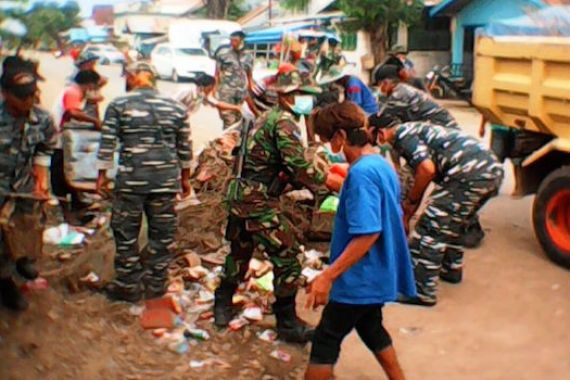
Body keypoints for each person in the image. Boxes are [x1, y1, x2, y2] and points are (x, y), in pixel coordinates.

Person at [214, 68, 327, 343]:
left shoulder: (266, 117)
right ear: (290, 94)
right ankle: (287, 323)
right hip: (257, 199)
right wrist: (323, 182)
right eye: (305, 95)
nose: (309, 101)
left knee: (240, 252)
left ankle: (221, 305)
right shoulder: (284, 122)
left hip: (241, 194)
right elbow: (298, 166)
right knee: (287, 257)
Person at [304, 101, 415, 380]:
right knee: (371, 327)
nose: (330, 146)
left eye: (329, 140)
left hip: (359, 277)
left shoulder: (361, 173)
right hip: (377, 272)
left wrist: (328, 276)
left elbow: (368, 233)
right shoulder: (379, 162)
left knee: (326, 340)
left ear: (340, 137)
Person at [368, 109, 504, 306]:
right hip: (490, 171)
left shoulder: (402, 134)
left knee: (430, 228)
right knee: (454, 223)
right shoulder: (416, 130)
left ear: (379, 132)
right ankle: (451, 268)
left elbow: (426, 170)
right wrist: (407, 212)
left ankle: (422, 291)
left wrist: (411, 203)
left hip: (469, 172)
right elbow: (418, 177)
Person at [96, 62, 192, 302]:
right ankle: (156, 286)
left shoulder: (118, 105)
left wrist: (101, 177)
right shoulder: (176, 108)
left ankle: (127, 286)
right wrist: (185, 180)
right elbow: (185, 147)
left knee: (126, 234)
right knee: (162, 236)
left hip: (131, 182)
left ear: (131, 77)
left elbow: (107, 143)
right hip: (165, 182)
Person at [0, 59, 57, 310]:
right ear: (5, 94)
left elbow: (44, 150)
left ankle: (19, 262)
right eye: (21, 96)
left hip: (23, 188)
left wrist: (41, 183)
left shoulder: (43, 119)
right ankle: (5, 284)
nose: (27, 101)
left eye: (31, 95)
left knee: (22, 231)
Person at [51, 70, 102, 215]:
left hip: (59, 136)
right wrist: (94, 121)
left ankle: (74, 201)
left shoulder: (72, 90)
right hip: (57, 137)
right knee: (61, 170)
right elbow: (73, 112)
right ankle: (65, 204)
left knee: (65, 169)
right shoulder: (74, 92)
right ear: (90, 84)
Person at [375, 65, 458, 129]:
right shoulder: (401, 89)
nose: (379, 88)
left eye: (379, 84)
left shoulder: (401, 93)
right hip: (436, 126)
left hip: (444, 128)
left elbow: (382, 117)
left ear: (386, 83)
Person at [215, 31, 254, 129]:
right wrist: (214, 90)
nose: (233, 42)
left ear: (241, 41)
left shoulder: (249, 56)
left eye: (235, 40)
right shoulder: (223, 54)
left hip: (241, 93)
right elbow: (217, 73)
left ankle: (236, 142)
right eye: (231, 40)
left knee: (239, 120)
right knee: (228, 120)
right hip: (226, 92)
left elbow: (249, 74)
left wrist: (251, 88)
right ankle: (228, 141)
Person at [175, 74, 244, 117]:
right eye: (210, 87)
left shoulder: (202, 94)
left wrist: (237, 107)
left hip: (183, 119)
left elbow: (218, 104)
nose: (211, 90)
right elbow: (172, 102)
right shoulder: (186, 90)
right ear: (204, 86)